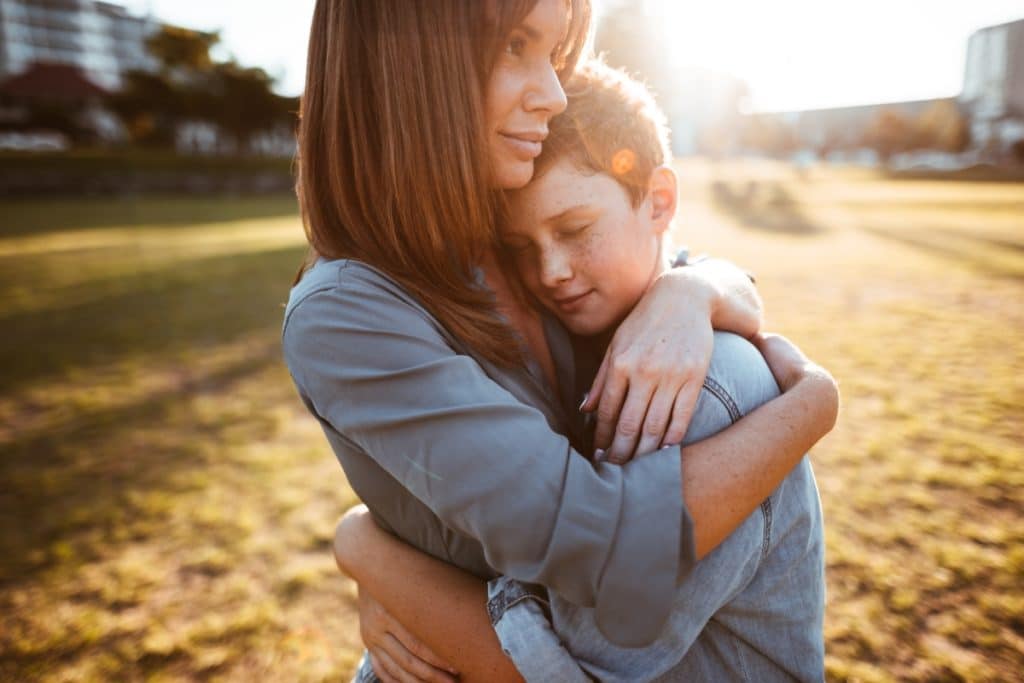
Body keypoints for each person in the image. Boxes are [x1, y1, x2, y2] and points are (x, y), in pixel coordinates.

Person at [282, 1, 838, 681]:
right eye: (516, 44)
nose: (549, 91)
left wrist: (692, 292)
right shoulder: (349, 312)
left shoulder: (505, 240)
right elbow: (600, 544)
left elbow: (680, 264)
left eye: (552, 52)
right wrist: (811, 404)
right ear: (411, 61)